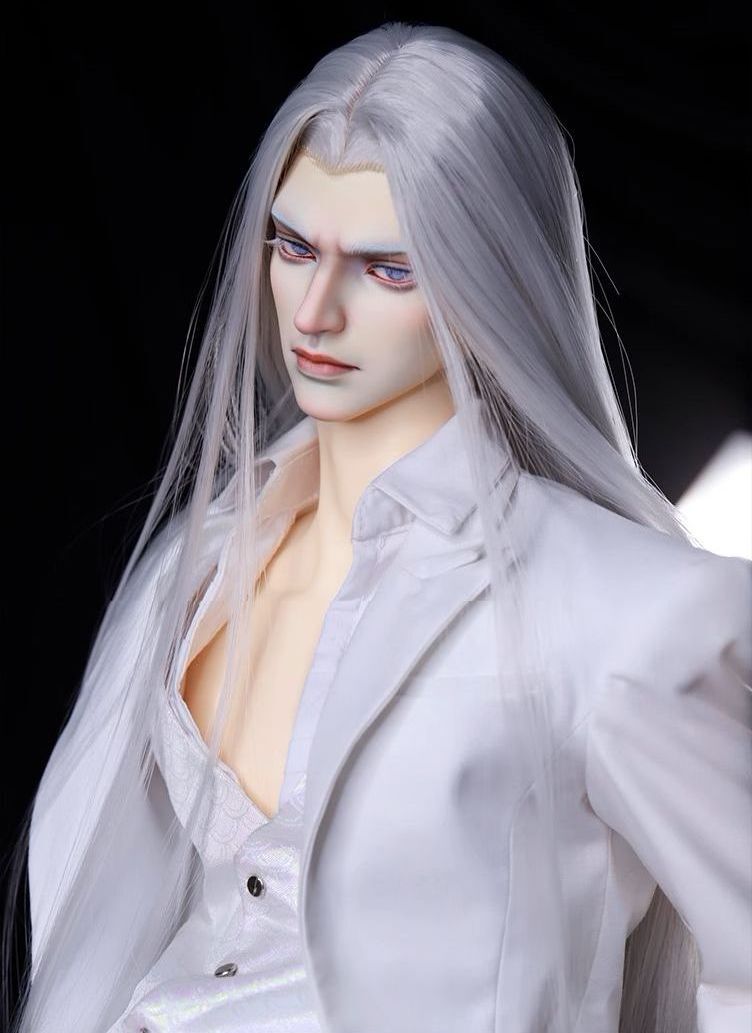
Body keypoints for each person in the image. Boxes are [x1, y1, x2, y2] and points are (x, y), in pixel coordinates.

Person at [4, 20, 750, 1033]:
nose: (314, 310)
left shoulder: (622, 614)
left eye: (386, 268)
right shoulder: (202, 567)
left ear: (484, 273)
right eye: (293, 246)